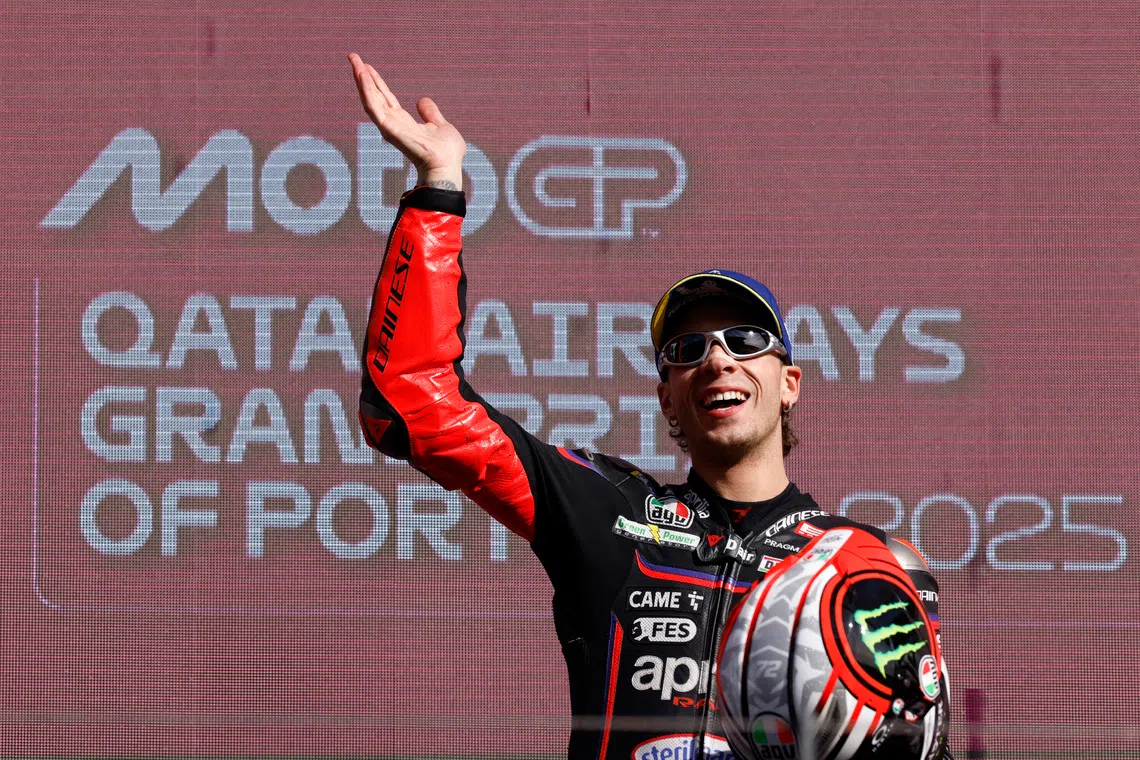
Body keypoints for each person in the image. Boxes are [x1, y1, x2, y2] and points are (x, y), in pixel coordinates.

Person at [348, 54, 951, 759]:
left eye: (745, 340)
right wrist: (439, 188)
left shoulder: (869, 564)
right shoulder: (610, 515)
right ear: (666, 393)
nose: (717, 359)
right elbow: (409, 407)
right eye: (687, 350)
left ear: (790, 382)